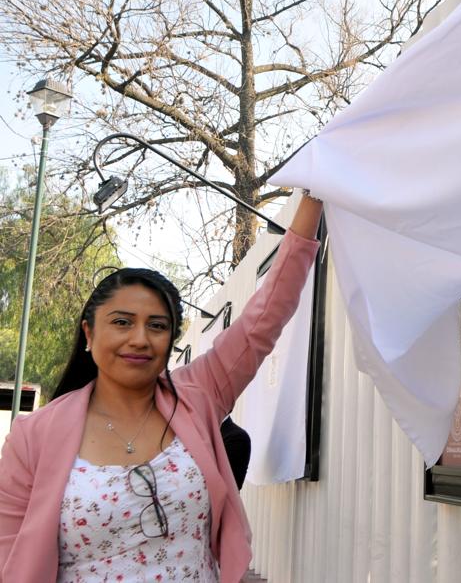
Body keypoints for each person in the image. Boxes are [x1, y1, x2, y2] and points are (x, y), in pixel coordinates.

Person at [0, 194, 323, 582]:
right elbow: (8, 556)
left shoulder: (198, 395)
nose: (139, 339)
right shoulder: (33, 436)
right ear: (89, 332)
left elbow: (266, 315)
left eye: (156, 325)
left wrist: (313, 196)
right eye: (122, 322)